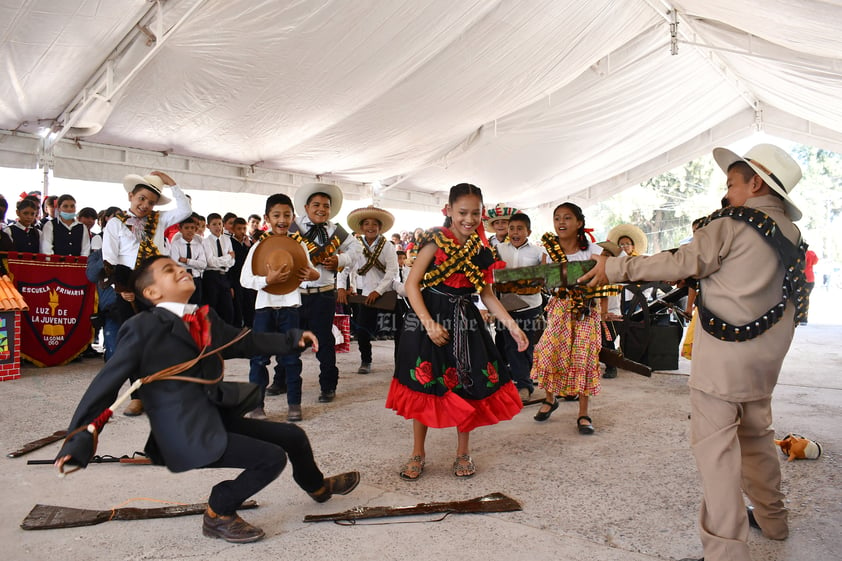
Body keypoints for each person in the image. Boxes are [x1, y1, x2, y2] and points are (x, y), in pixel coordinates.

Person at [582, 144, 806, 561]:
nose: (728, 193)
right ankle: (774, 521)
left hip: (723, 362)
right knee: (756, 438)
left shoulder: (730, 224)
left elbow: (679, 263)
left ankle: (725, 552)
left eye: (732, 183)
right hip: (764, 362)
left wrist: (614, 268)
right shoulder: (791, 235)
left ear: (755, 182)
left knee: (717, 453)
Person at [54, 254, 359, 544]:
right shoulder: (142, 327)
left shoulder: (204, 317)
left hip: (213, 415)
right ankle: (219, 511)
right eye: (169, 271)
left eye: (178, 266)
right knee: (270, 458)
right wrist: (77, 439)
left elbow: (245, 341)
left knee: (293, 436)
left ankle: (318, 487)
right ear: (152, 292)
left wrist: (291, 339)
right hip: (183, 431)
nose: (180, 270)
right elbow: (106, 383)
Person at [386, 183, 528, 480]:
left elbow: (487, 295)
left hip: (468, 322)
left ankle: (463, 453)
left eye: (475, 213)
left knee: (468, 385)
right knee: (425, 384)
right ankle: (417, 452)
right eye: (462, 212)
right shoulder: (434, 241)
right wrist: (428, 323)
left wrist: (513, 327)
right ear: (448, 210)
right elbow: (412, 285)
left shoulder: (481, 249)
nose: (469, 218)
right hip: (430, 319)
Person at [102, 171, 192, 415]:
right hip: (128, 288)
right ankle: (137, 395)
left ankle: (162, 391)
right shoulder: (115, 223)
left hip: (157, 286)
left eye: (150, 202)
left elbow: (185, 209)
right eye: (141, 199)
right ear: (131, 196)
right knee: (135, 342)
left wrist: (172, 183)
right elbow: (109, 258)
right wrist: (121, 289)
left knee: (161, 339)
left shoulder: (159, 220)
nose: (145, 205)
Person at [530, 202, 612, 434]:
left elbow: (608, 270)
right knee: (547, 352)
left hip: (585, 310)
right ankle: (549, 399)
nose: (561, 222)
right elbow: (546, 281)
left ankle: (583, 413)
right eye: (557, 218)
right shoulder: (548, 250)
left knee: (583, 359)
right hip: (559, 308)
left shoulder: (592, 249)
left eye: (567, 218)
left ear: (579, 223)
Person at [241, 194, 319, 421]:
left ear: (293, 217)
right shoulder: (258, 247)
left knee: (292, 358)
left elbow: (307, 275)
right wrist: (267, 281)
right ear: (267, 218)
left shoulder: (299, 247)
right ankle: (257, 405)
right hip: (264, 309)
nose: (282, 219)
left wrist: (313, 275)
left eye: (287, 215)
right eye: (276, 215)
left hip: (291, 308)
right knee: (258, 359)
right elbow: (245, 280)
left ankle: (294, 404)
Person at [289, 183, 362, 403]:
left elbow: (356, 249)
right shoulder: (293, 227)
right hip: (296, 294)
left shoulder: (336, 231)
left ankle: (328, 385)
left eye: (326, 206)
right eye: (316, 205)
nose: (321, 209)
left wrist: (340, 259)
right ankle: (283, 380)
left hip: (324, 293)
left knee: (325, 340)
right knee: (290, 338)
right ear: (306, 207)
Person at [338, 206, 398, 375]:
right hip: (366, 295)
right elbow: (345, 267)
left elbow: (392, 271)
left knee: (398, 331)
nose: (370, 227)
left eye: (374, 224)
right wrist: (341, 287)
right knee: (362, 331)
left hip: (388, 294)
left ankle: (400, 363)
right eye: (366, 224)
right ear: (362, 227)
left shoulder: (387, 247)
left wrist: (378, 291)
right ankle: (366, 360)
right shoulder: (356, 247)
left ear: (380, 228)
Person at [494, 212, 547, 402]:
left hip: (530, 306)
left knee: (523, 344)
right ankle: (517, 380)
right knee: (508, 344)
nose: (515, 232)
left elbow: (544, 278)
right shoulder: (498, 249)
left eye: (519, 229)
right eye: (512, 229)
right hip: (505, 306)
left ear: (528, 231)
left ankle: (524, 385)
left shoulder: (539, 252)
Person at [202, 212, 236, 324]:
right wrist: (227, 257)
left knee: (228, 309)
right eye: (214, 224)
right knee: (213, 307)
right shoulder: (206, 241)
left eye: (219, 224)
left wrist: (225, 260)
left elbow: (232, 261)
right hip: (211, 276)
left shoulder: (227, 240)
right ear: (208, 226)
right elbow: (211, 262)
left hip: (224, 276)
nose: (218, 227)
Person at [169, 214, 207, 305]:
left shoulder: (198, 245)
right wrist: (195, 264)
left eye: (192, 228)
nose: (190, 230)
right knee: (182, 305)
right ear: (180, 229)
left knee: (196, 306)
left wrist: (187, 261)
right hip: (182, 279)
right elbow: (176, 264)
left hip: (196, 279)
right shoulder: (176, 245)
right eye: (186, 228)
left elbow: (203, 265)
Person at [229, 217, 256, 328]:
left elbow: (252, 261)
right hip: (235, 280)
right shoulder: (230, 243)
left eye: (244, 228)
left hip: (248, 280)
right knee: (238, 307)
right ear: (233, 230)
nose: (241, 231)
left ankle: (249, 330)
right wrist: (230, 285)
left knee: (249, 306)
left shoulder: (248, 243)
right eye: (239, 228)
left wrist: (248, 246)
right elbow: (230, 266)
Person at [802, 248, 818, 324]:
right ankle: (803, 318)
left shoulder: (801, 253)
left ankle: (803, 319)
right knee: (805, 298)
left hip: (803, 279)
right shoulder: (811, 253)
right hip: (810, 279)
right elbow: (816, 261)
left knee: (802, 299)